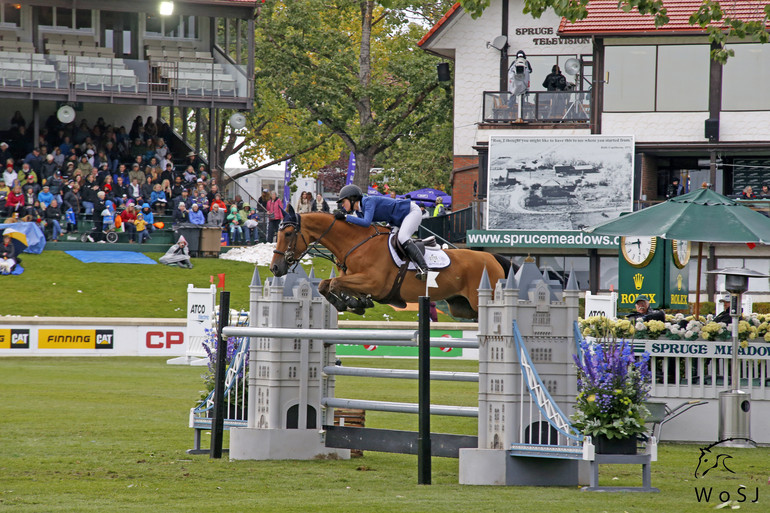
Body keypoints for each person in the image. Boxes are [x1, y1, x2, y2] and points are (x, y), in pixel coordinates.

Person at [335, 184, 429, 280]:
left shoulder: (368, 201)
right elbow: (364, 229)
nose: (342, 205)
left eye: (343, 201)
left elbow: (367, 223)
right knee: (387, 239)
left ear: (352, 199)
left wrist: (346, 217)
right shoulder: (359, 211)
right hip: (396, 220)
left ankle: (424, 268)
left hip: (411, 212)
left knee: (402, 237)